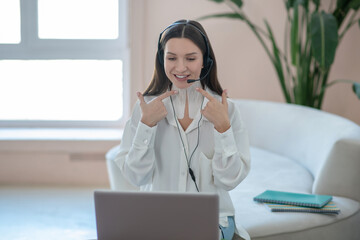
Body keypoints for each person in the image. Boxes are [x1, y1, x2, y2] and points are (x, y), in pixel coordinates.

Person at [114, 19, 251, 240]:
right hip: (157, 221)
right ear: (161, 60)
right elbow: (136, 177)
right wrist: (146, 127)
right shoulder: (146, 109)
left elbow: (230, 180)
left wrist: (223, 129)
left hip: (213, 222)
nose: (180, 68)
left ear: (205, 61)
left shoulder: (226, 110)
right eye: (171, 58)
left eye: (190, 58)